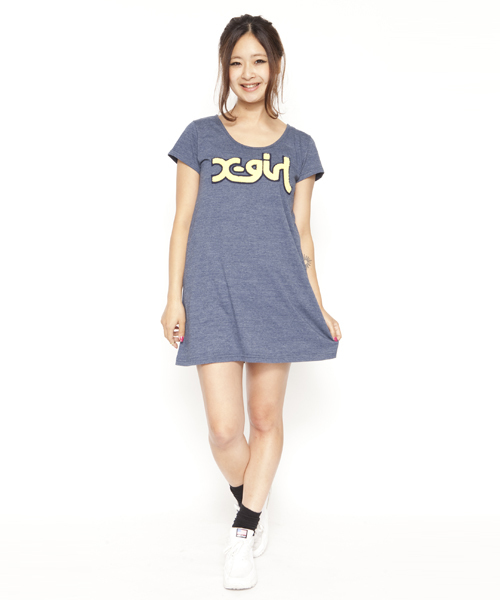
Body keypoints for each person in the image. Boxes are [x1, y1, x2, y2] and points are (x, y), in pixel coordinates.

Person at [160, 14, 342, 590]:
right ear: (225, 68)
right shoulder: (199, 137)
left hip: (277, 295)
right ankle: (254, 506)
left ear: (275, 66)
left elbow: (302, 236)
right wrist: (173, 299)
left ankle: (242, 532)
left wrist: (319, 305)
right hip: (212, 296)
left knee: (265, 420)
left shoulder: (300, 147)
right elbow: (182, 222)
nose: (248, 72)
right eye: (237, 62)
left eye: (258, 61)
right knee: (223, 430)